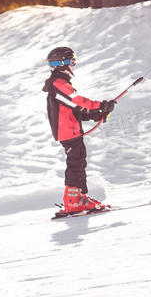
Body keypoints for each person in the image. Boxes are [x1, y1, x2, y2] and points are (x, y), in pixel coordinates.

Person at [43, 46, 116, 213]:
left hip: (72, 130)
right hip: (67, 132)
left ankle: (80, 198)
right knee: (75, 163)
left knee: (80, 162)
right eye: (72, 61)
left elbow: (74, 111)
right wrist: (101, 105)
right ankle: (72, 200)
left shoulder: (61, 84)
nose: (74, 64)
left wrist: (96, 115)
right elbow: (77, 102)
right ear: (62, 63)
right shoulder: (58, 84)